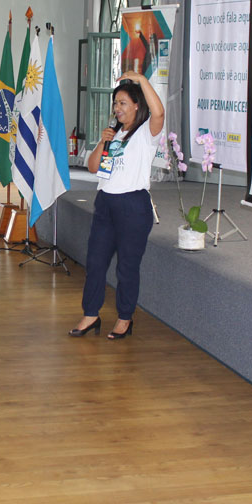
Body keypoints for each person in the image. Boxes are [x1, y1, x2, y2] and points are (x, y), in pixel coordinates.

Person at [70, 71, 164, 340]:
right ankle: (91, 314)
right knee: (96, 261)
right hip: (105, 204)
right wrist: (104, 141)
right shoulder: (113, 135)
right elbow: (92, 167)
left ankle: (125, 318)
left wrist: (141, 80)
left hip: (133, 205)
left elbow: (158, 113)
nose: (117, 108)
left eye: (123, 103)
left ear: (136, 104)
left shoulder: (146, 133)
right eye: (115, 103)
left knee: (127, 266)